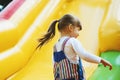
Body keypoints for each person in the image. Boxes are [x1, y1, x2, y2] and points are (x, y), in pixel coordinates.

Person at [36, 14, 112, 80]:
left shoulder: (55, 46)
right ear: (71, 28)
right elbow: (84, 55)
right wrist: (100, 60)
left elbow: (55, 66)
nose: (78, 34)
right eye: (78, 30)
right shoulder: (72, 41)